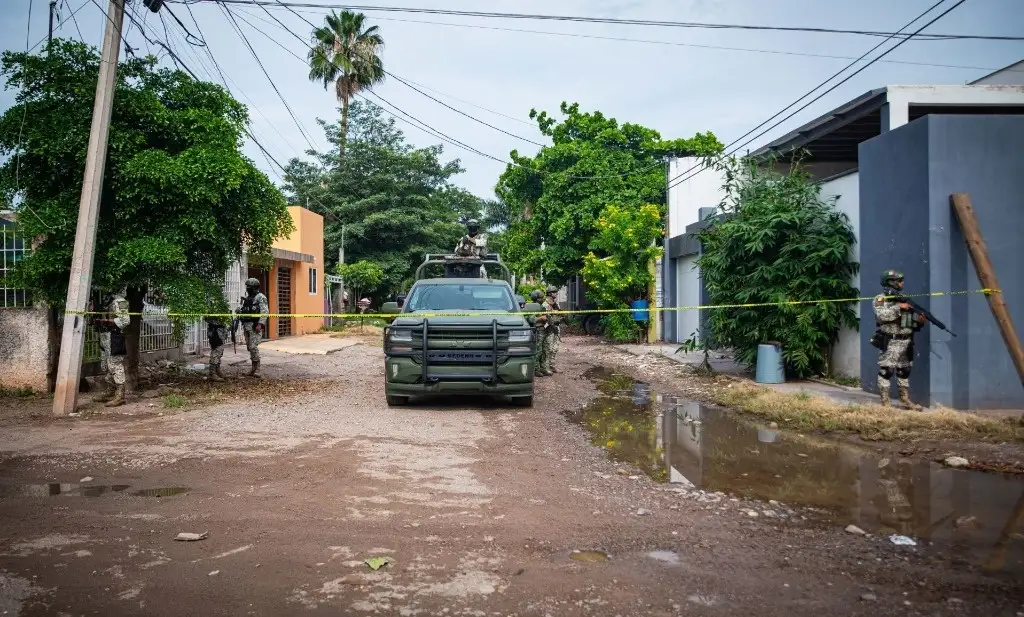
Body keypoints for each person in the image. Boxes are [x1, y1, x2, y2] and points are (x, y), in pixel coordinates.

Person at [873, 270, 926, 409]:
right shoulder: (881, 299)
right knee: (887, 371)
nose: (902, 283)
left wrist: (920, 321)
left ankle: (904, 400)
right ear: (891, 282)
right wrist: (897, 308)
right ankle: (885, 403)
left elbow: (909, 321)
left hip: (906, 341)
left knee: (905, 370)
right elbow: (881, 316)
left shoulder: (904, 298)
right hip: (891, 341)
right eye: (899, 280)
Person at [94, 290, 130, 407]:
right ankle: (110, 391)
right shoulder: (105, 300)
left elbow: (125, 320)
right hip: (105, 336)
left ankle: (120, 395)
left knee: (115, 364)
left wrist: (107, 321)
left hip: (114, 336)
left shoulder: (119, 301)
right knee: (107, 365)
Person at [238, 278, 269, 378]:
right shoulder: (248, 298)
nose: (247, 288)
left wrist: (260, 324)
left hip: (255, 326)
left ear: (255, 287)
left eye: (249, 287)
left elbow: (264, 312)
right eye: (247, 287)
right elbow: (245, 310)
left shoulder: (260, 297)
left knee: (253, 347)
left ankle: (258, 369)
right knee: (249, 348)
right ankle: (253, 369)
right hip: (247, 326)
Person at [541, 285, 563, 374]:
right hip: (549, 328)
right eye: (554, 292)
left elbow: (559, 314)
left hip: (556, 326)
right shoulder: (545, 304)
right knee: (548, 348)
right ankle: (544, 367)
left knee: (555, 348)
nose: (556, 294)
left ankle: (551, 364)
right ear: (550, 293)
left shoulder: (555, 303)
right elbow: (546, 317)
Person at [528, 289, 549, 376]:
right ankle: (536, 369)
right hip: (537, 330)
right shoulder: (531, 307)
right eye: (540, 298)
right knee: (538, 350)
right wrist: (540, 318)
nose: (542, 299)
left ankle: (543, 368)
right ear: (536, 298)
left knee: (545, 350)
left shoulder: (542, 307)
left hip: (544, 330)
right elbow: (531, 319)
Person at [206, 315, 229, 382]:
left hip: (220, 332)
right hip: (215, 332)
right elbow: (206, 318)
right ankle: (212, 373)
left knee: (219, 353)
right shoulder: (212, 308)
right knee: (216, 352)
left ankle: (217, 371)